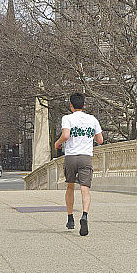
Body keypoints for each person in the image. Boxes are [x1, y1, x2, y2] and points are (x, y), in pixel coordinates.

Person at [54, 92, 103, 236]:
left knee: (70, 187)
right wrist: (89, 135)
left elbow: (66, 135)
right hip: (85, 157)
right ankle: (85, 215)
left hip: (70, 156)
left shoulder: (67, 118)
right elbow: (100, 140)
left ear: (71, 105)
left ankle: (70, 218)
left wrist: (57, 143)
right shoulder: (92, 119)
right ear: (84, 105)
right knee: (85, 189)